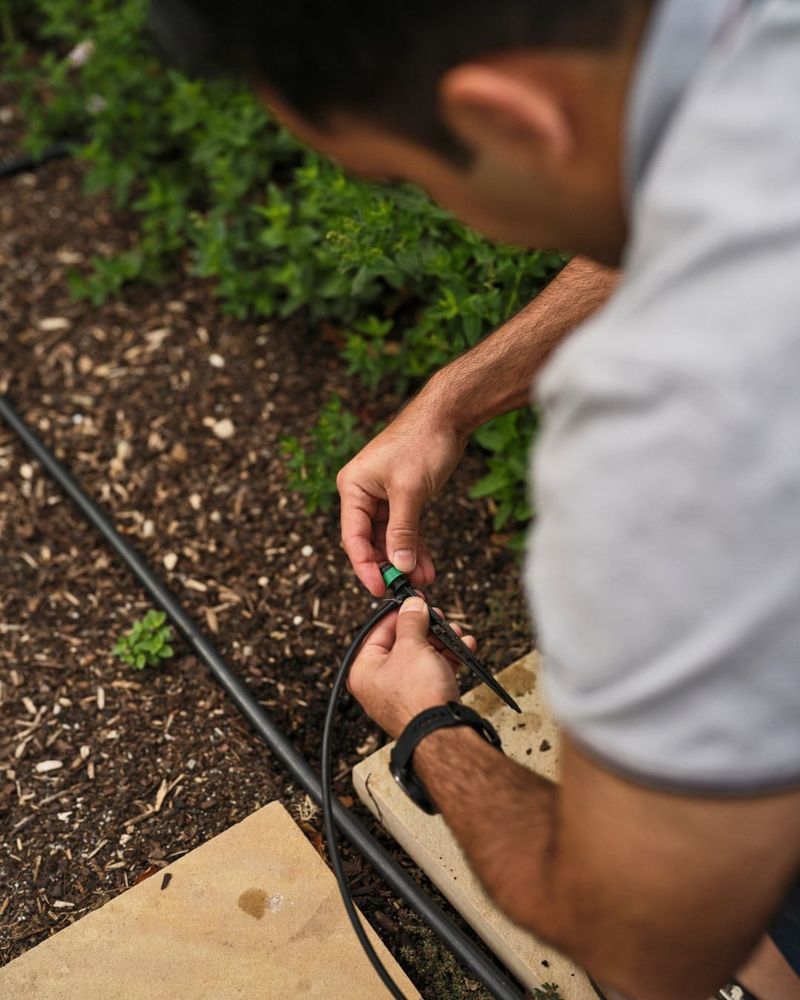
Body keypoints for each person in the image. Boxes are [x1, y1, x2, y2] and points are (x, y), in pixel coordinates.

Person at [151, 2, 800, 997]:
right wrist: (453, 399)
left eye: (410, 175)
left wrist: (427, 733)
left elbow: (649, 940)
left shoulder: (673, 433)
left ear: (505, 120)